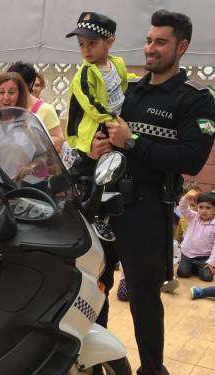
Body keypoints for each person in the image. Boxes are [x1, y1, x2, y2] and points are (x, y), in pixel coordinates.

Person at [98, 10, 215, 375]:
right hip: (105, 201)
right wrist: (100, 147)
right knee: (94, 287)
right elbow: (106, 138)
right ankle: (93, 368)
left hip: (147, 210)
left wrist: (132, 144)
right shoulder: (128, 93)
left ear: (181, 47)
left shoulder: (195, 99)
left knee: (144, 301)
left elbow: (192, 159)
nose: (150, 48)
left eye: (160, 42)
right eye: (149, 40)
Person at [65, 11, 136, 243]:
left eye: (92, 43)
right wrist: (114, 122)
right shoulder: (84, 73)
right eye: (81, 44)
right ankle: (87, 215)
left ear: (109, 42)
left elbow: (123, 85)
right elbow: (91, 103)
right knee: (87, 172)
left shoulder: (118, 64)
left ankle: (103, 216)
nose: (85, 50)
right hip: (95, 130)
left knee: (109, 174)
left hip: (113, 125)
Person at [7, 62, 64, 150]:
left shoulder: (46, 109)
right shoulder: (5, 104)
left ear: (29, 84)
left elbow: (59, 141)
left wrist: (34, 139)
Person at [176, 190, 215, 281]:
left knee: (207, 277)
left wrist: (212, 263)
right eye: (201, 207)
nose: (203, 211)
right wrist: (186, 197)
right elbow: (183, 208)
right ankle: (193, 267)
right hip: (187, 255)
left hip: (204, 258)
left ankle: (199, 268)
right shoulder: (193, 217)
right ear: (197, 206)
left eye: (208, 208)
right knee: (182, 273)